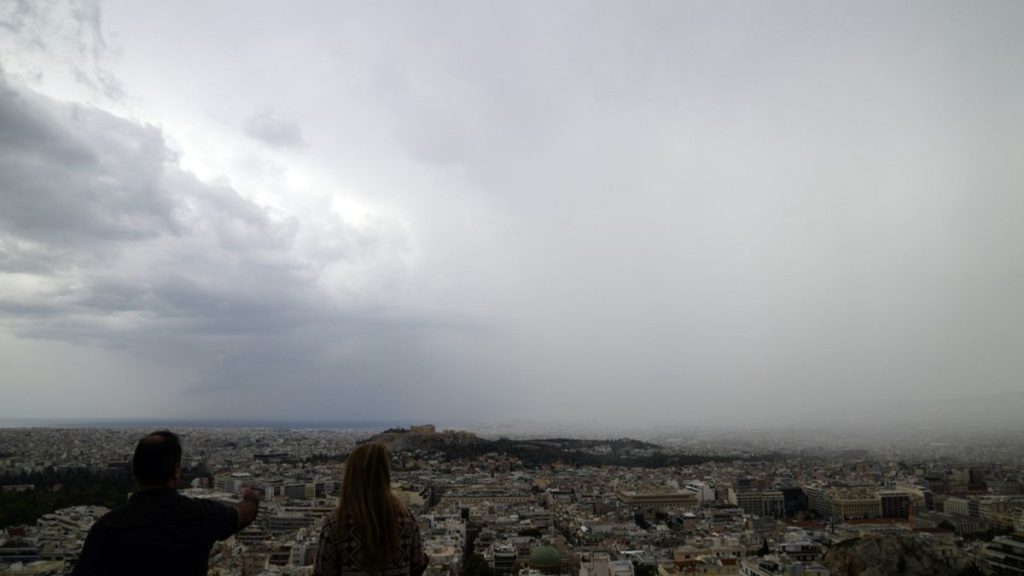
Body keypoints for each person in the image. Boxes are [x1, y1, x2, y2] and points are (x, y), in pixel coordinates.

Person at [72, 430, 260, 575]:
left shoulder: (107, 529)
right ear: (176, 471)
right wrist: (250, 496)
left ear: (135, 472)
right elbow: (245, 513)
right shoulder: (203, 515)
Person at [314, 443, 428, 576]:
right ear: (385, 475)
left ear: (351, 476)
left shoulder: (335, 524)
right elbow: (418, 566)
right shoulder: (406, 519)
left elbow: (322, 572)